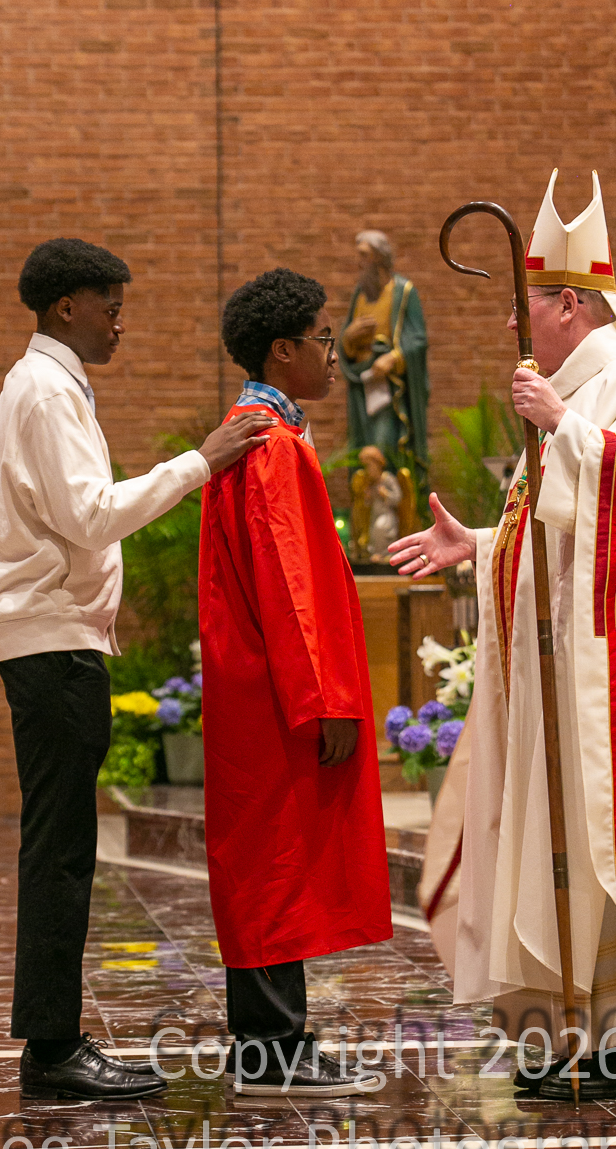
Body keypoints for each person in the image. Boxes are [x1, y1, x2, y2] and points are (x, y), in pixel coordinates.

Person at [391, 171, 616, 1101]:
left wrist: (568, 434)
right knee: (565, 847)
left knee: (607, 844)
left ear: (571, 305)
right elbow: (550, 530)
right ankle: (585, 1029)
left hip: (611, 683)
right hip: (560, 672)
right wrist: (481, 541)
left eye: (526, 304)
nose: (513, 321)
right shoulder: (572, 386)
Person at [0, 238, 274, 1100]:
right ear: (67, 306)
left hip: (55, 635)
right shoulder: (44, 389)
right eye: (111, 306)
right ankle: (53, 1049)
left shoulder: (50, 383)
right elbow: (92, 516)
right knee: (61, 851)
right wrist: (201, 461)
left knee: (62, 845)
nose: (120, 322)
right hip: (49, 640)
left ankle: (53, 1042)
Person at [200, 267, 393, 1096]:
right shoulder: (268, 445)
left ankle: (270, 1041)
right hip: (278, 692)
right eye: (322, 338)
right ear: (282, 351)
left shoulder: (257, 432)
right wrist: (327, 698)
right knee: (275, 863)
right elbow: (289, 584)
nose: (333, 354)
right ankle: (271, 1049)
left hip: (259, 683)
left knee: (268, 861)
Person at [338, 231, 430, 493]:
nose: (359, 262)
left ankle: (390, 501)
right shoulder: (361, 293)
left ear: (379, 257)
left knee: (385, 445)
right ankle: (366, 507)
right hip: (362, 383)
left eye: (364, 255)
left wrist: (394, 357)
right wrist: (348, 339)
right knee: (362, 445)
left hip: (391, 389)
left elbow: (418, 339)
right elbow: (346, 339)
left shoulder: (403, 291)